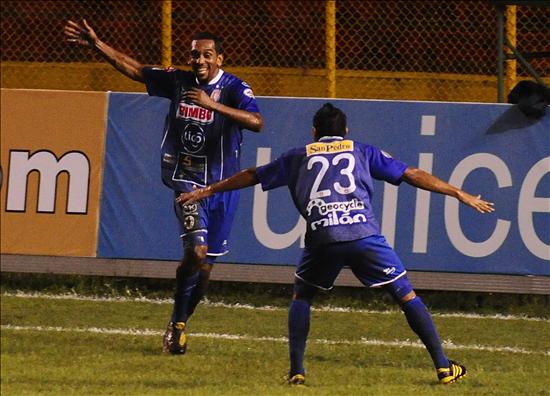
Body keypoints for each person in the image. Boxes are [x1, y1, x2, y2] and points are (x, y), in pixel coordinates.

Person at [176, 103, 495, 385]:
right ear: (346, 131)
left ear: (314, 131)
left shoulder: (298, 155)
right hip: (363, 234)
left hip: (322, 238)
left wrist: (207, 191)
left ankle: (297, 371)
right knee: (405, 293)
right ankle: (442, 366)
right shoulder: (361, 150)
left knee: (302, 296)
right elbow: (411, 173)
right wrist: (458, 193)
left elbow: (251, 175)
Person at [64, 20, 264, 354]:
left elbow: (257, 123)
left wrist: (211, 104)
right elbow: (138, 70)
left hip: (221, 189)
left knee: (204, 271)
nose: (199, 61)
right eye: (194, 55)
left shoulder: (234, 89)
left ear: (220, 59)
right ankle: (180, 311)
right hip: (186, 180)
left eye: (206, 55)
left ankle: (178, 320)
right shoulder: (178, 81)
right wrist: (97, 44)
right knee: (196, 253)